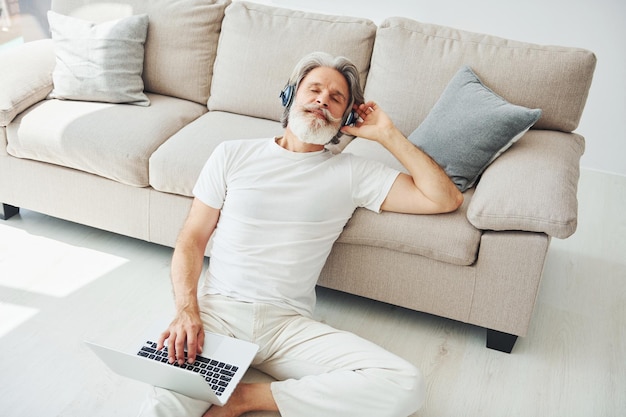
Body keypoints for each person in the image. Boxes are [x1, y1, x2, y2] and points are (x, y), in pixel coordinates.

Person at [138, 51, 463, 417]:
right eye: (314, 90)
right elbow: (191, 239)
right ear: (290, 96)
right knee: (164, 403)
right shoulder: (232, 154)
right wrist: (186, 311)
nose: (322, 99)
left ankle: (246, 398)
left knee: (406, 385)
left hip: (288, 326)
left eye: (336, 97)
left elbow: (444, 198)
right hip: (220, 314)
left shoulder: (353, 172)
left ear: (345, 118)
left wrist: (387, 134)